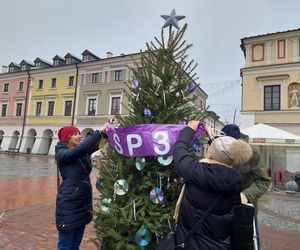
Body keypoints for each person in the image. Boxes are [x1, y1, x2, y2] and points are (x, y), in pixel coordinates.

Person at [173, 120, 253, 249]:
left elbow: (179, 150)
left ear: (209, 154)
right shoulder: (236, 182)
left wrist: (189, 130)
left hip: (189, 244)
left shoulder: (196, 171)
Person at [55, 122, 110, 250]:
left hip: (81, 204)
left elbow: (96, 146)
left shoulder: (80, 153)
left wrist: (107, 134)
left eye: (79, 133)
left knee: (75, 245)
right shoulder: (62, 154)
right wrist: (99, 131)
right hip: (69, 205)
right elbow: (83, 148)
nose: (79, 136)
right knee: (65, 246)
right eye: (75, 134)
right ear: (67, 137)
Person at [221, 124, 271, 249]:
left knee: (248, 242)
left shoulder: (252, 153)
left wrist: (246, 194)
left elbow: (263, 181)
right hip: (221, 208)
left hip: (244, 209)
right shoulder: (218, 149)